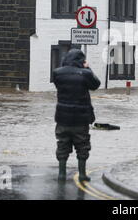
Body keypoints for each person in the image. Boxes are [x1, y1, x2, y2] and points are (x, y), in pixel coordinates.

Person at [52, 49, 101, 182]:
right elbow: (96, 85)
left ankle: (61, 174)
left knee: (62, 145)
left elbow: (59, 86)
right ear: (81, 60)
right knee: (82, 146)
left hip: (62, 118)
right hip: (81, 118)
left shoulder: (57, 73)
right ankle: (82, 174)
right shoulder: (85, 74)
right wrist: (88, 68)